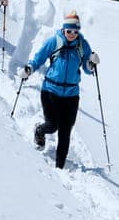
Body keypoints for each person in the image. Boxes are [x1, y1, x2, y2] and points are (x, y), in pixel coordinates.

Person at [18, 11, 100, 169]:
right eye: (69, 31)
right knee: (53, 125)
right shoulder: (54, 41)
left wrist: (92, 63)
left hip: (71, 95)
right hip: (50, 91)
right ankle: (40, 131)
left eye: (76, 31)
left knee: (65, 131)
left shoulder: (83, 45)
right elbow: (39, 58)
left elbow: (88, 69)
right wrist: (29, 69)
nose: (72, 34)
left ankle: (59, 167)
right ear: (64, 29)